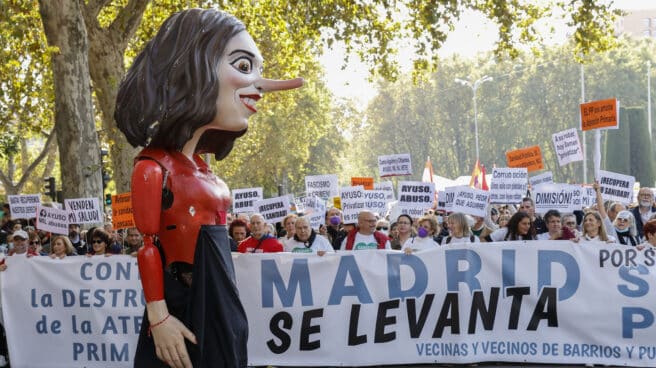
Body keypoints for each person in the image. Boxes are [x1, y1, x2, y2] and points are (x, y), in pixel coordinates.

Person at [114, 8, 302, 368]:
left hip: (220, 305)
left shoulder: (202, 168)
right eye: (244, 67)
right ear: (193, 67)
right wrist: (159, 318)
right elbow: (148, 246)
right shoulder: (152, 168)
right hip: (183, 304)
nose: (260, 87)